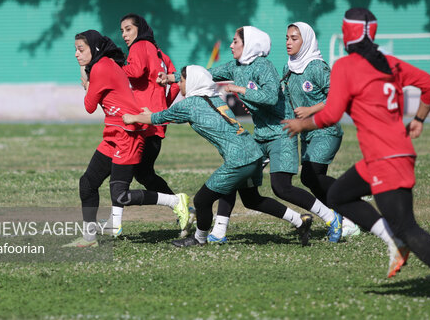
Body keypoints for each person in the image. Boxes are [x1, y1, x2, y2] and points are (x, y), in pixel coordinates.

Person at [282, 8, 430, 302]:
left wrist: (301, 124)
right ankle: (393, 239)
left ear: (348, 33)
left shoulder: (347, 66)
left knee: (407, 227)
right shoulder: (391, 64)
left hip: (386, 161)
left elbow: (331, 114)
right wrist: (419, 119)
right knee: (338, 196)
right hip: (388, 156)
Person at [161, 26, 342, 243]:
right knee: (235, 172)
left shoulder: (263, 66)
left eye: (236, 41)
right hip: (261, 134)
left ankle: (331, 218)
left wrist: (240, 90)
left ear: (250, 45)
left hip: (281, 132)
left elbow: (270, 97)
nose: (231, 45)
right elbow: (207, 74)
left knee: (281, 187)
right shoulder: (236, 66)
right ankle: (218, 232)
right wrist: (171, 78)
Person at [124, 65, 313, 247]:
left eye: (181, 80)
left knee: (201, 200)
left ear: (193, 82)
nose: (179, 85)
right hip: (254, 153)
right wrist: (153, 114)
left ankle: (199, 239)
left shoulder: (191, 104)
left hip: (239, 160)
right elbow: (168, 115)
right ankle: (299, 221)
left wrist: (133, 118)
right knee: (252, 200)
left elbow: (158, 119)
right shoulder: (215, 98)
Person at [63, 29, 190, 247]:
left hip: (128, 135)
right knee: (87, 183)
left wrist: (87, 80)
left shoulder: (101, 67)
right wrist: (89, 80)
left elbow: (89, 106)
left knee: (120, 195)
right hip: (114, 132)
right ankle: (89, 238)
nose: (76, 54)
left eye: (80, 49)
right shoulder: (104, 64)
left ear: (93, 49)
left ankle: (175, 200)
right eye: (75, 49)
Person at [282, 22, 360, 238]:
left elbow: (338, 95)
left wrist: (311, 109)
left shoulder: (318, 67)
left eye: (294, 38)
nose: (288, 42)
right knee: (312, 180)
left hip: (326, 130)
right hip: (307, 133)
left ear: (306, 40)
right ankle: (343, 218)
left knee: (309, 175)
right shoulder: (288, 68)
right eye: (287, 38)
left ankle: (350, 202)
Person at [119, 13, 194, 237]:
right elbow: (173, 83)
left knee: (122, 171)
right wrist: (162, 107)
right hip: (154, 121)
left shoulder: (140, 46)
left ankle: (179, 206)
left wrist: (113, 68)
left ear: (140, 29)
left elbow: (134, 71)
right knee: (143, 173)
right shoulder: (160, 52)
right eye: (122, 31)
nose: (124, 35)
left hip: (142, 122)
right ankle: (182, 208)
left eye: (128, 29)